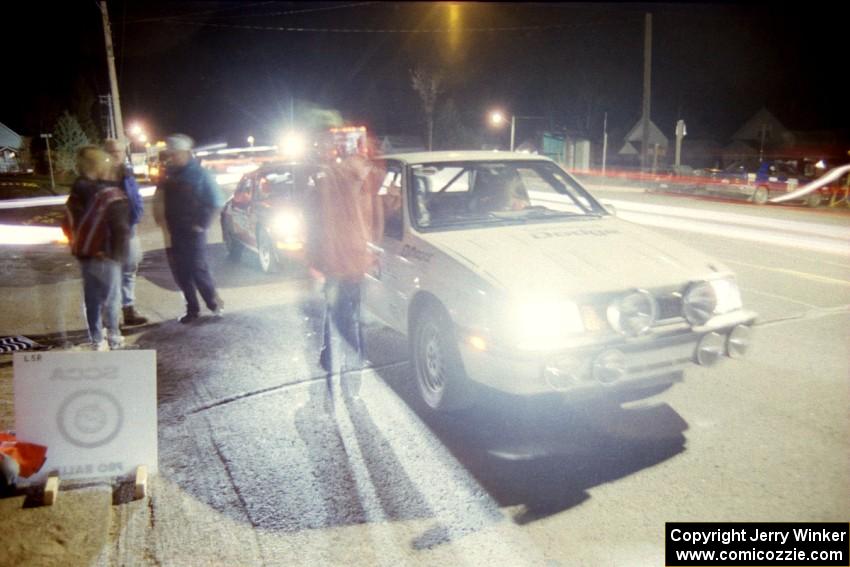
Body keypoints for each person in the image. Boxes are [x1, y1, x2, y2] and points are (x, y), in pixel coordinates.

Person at [305, 154, 382, 392]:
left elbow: (314, 225)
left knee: (339, 311)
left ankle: (336, 357)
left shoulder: (328, 185)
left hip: (341, 260)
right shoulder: (355, 186)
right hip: (349, 260)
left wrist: (315, 258)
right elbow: (374, 221)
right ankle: (350, 364)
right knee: (349, 315)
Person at [62, 147, 130, 350]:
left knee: (92, 298)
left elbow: (66, 223)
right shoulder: (106, 192)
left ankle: (96, 339)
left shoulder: (76, 191)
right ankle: (115, 337)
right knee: (111, 297)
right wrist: (117, 255)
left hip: (85, 254)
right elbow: (120, 227)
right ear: (98, 166)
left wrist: (80, 244)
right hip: (106, 254)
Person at [156, 134, 225, 323]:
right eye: (171, 155)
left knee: (198, 268)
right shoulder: (170, 174)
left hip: (193, 232)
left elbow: (217, 201)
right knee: (181, 271)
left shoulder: (200, 174)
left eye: (175, 154)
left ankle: (214, 304)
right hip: (175, 230)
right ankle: (192, 309)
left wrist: (201, 224)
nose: (172, 158)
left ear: (186, 153)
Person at [104, 138, 148, 326]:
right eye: (113, 152)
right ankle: (110, 317)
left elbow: (136, 198)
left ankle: (128, 310)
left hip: (128, 230)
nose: (116, 155)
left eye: (119, 152)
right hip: (108, 233)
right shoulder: (99, 176)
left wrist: (135, 218)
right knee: (111, 273)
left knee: (129, 270)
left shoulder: (126, 174)